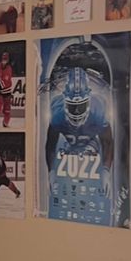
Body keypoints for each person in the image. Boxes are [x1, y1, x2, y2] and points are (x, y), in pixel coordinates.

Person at [45, 66, 114, 221]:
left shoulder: (98, 110)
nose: (76, 112)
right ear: (65, 102)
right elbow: (50, 144)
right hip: (68, 146)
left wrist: (105, 171)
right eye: (73, 106)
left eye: (80, 105)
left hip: (91, 144)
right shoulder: (57, 113)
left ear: (89, 101)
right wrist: (51, 170)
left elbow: (107, 142)